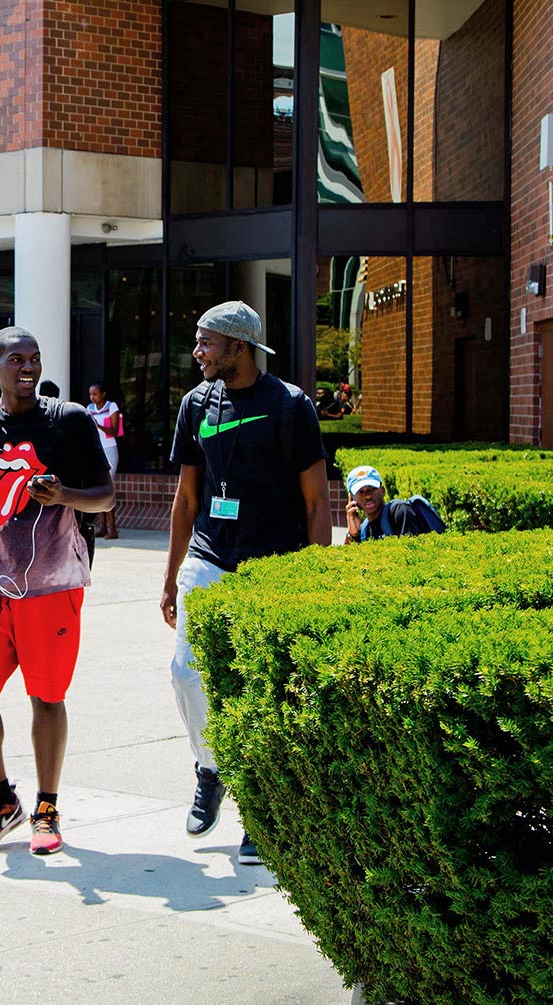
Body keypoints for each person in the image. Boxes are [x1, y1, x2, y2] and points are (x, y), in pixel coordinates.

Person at [161, 301, 328, 861]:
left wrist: (314, 580)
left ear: (240, 346)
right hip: (210, 555)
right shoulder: (196, 404)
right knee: (185, 671)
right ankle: (210, 768)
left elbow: (315, 502)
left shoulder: (290, 406)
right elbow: (187, 497)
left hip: (273, 563)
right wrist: (169, 578)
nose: (197, 352)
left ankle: (263, 811)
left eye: (207, 342)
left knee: (263, 690)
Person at [0, 328, 114, 857]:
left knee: (47, 695)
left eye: (34, 359)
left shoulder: (68, 420)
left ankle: (46, 805)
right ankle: (0, 799)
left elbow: (105, 498)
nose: (28, 367)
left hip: (53, 582)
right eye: (16, 359)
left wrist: (62, 493)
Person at [343, 465, 445, 542]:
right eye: (361, 492)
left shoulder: (399, 511)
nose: (368, 496)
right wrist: (352, 535)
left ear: (382, 491)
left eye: (372, 489)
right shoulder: (363, 530)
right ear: (352, 498)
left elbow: (411, 553)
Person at [84, 383, 124, 540]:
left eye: (95, 394)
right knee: (100, 486)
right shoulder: (89, 408)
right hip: (97, 450)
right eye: (90, 394)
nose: (92, 397)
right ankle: (102, 527)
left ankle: (112, 529)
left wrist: (98, 425)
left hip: (110, 449)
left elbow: (114, 430)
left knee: (109, 486)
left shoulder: (111, 407)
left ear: (103, 394)